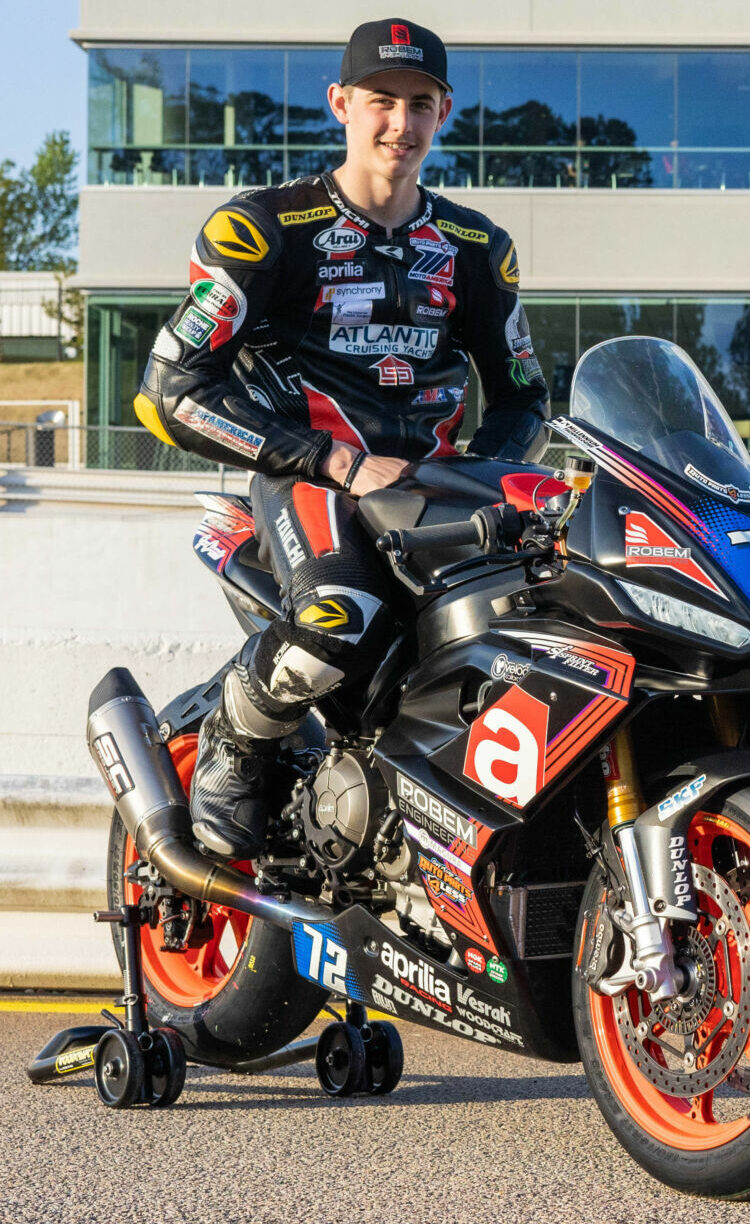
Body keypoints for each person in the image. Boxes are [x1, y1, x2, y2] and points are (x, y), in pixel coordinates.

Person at [133, 18, 549, 857]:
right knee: (338, 617)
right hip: (312, 481)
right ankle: (235, 738)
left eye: (420, 104)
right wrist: (334, 460)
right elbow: (166, 392)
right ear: (341, 105)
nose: (400, 124)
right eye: (381, 102)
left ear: (446, 113)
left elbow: (524, 396)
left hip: (432, 494)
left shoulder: (476, 248)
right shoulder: (263, 230)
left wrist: (484, 471)